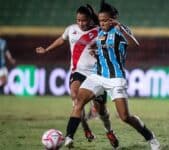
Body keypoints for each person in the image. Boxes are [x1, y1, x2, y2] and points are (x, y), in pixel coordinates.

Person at [64, 2, 161, 150]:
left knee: (125, 117)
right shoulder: (100, 32)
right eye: (100, 21)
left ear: (113, 19)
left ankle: (150, 137)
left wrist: (120, 26)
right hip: (97, 75)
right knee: (78, 102)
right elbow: (103, 46)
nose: (102, 23)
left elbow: (135, 45)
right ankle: (69, 138)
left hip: (115, 78)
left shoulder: (119, 31)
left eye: (105, 20)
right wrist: (96, 51)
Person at [35, 4, 119, 148]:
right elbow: (62, 39)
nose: (81, 23)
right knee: (75, 98)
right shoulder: (71, 30)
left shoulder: (99, 31)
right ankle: (80, 131)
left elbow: (109, 45)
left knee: (101, 110)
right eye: (78, 20)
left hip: (96, 74)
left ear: (89, 20)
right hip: (77, 72)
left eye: (84, 20)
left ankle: (109, 131)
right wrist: (47, 49)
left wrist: (99, 52)